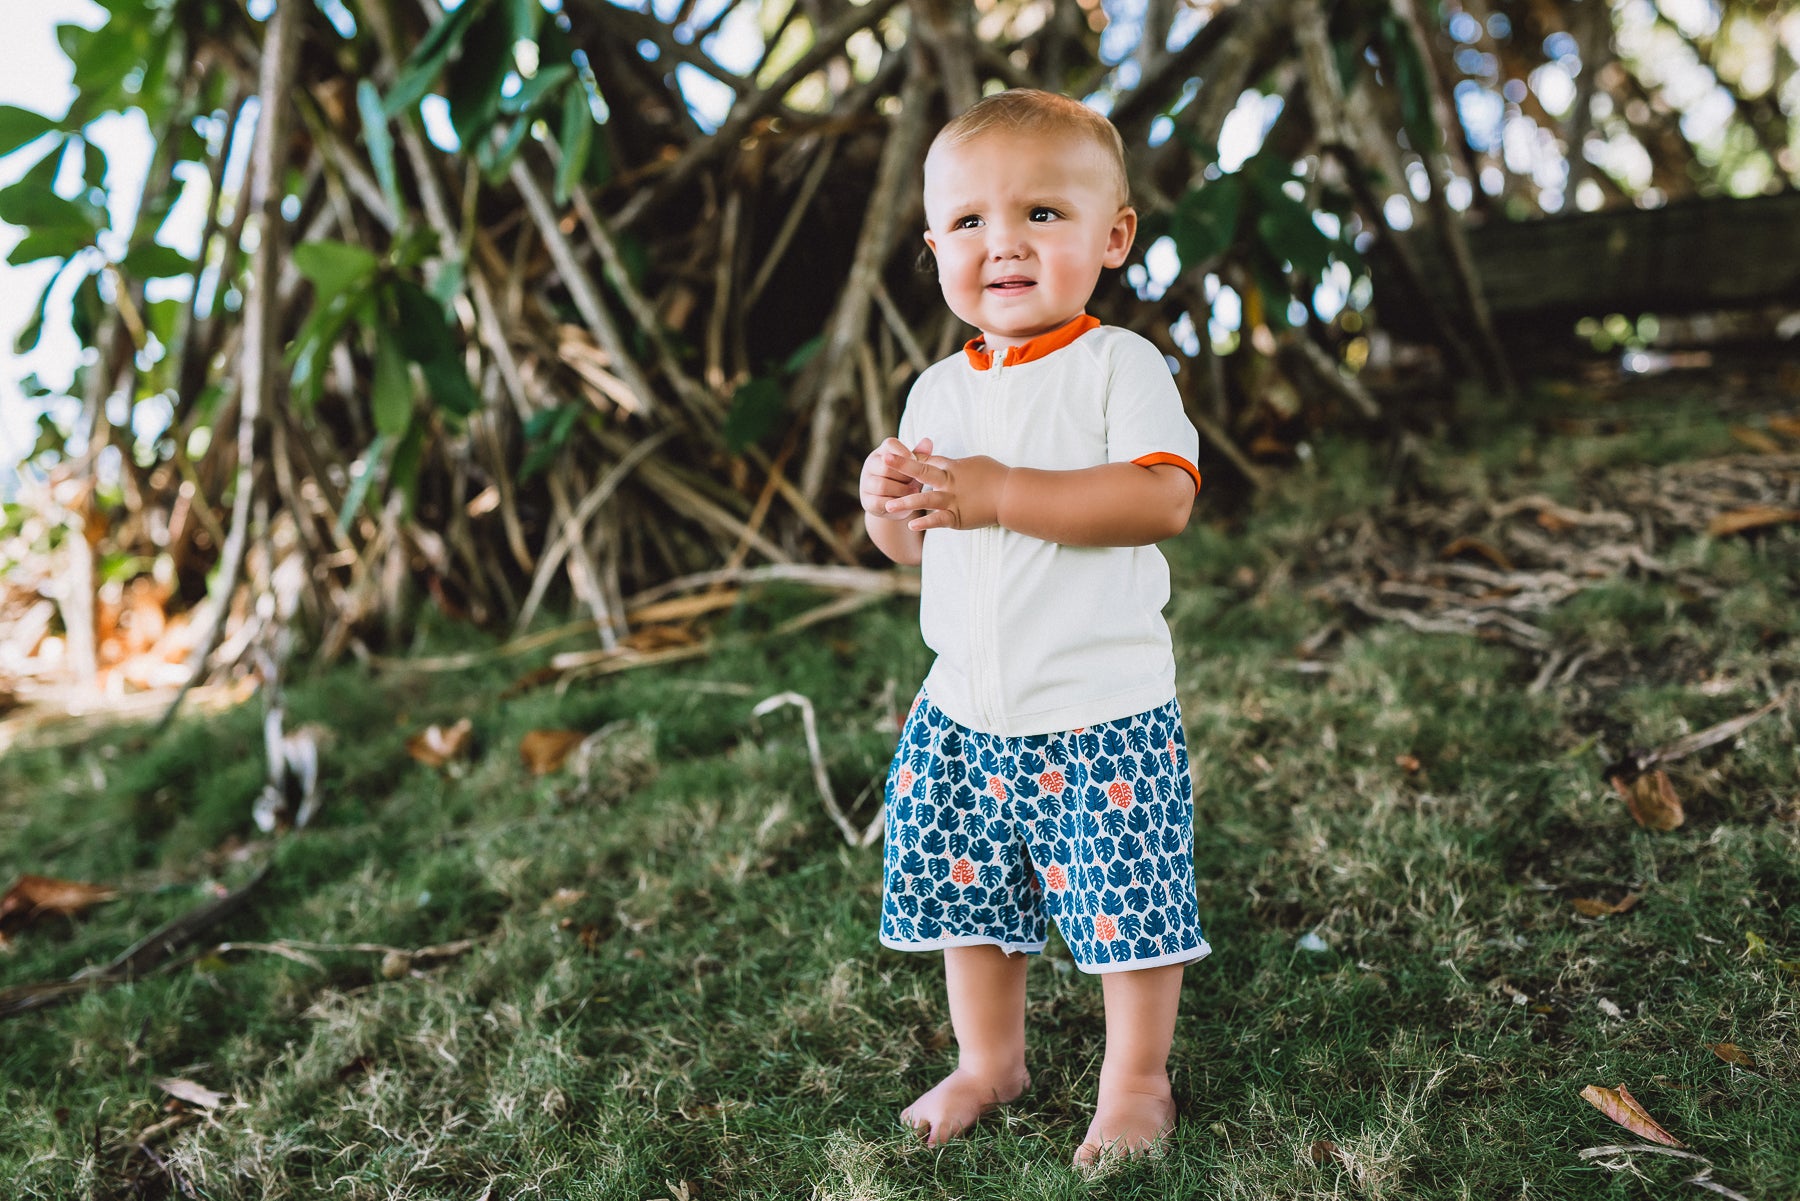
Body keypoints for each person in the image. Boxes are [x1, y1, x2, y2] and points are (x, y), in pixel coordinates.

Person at [857, 88, 1211, 1170]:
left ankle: (1135, 1077)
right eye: (969, 223)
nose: (1003, 243)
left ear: (1112, 237)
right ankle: (989, 1058)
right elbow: (918, 546)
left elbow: (1162, 501)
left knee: (1127, 906)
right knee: (972, 898)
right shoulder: (934, 389)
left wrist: (1004, 490)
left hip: (1097, 712)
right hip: (964, 708)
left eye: (1042, 215)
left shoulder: (1119, 367)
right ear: (934, 246)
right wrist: (886, 508)